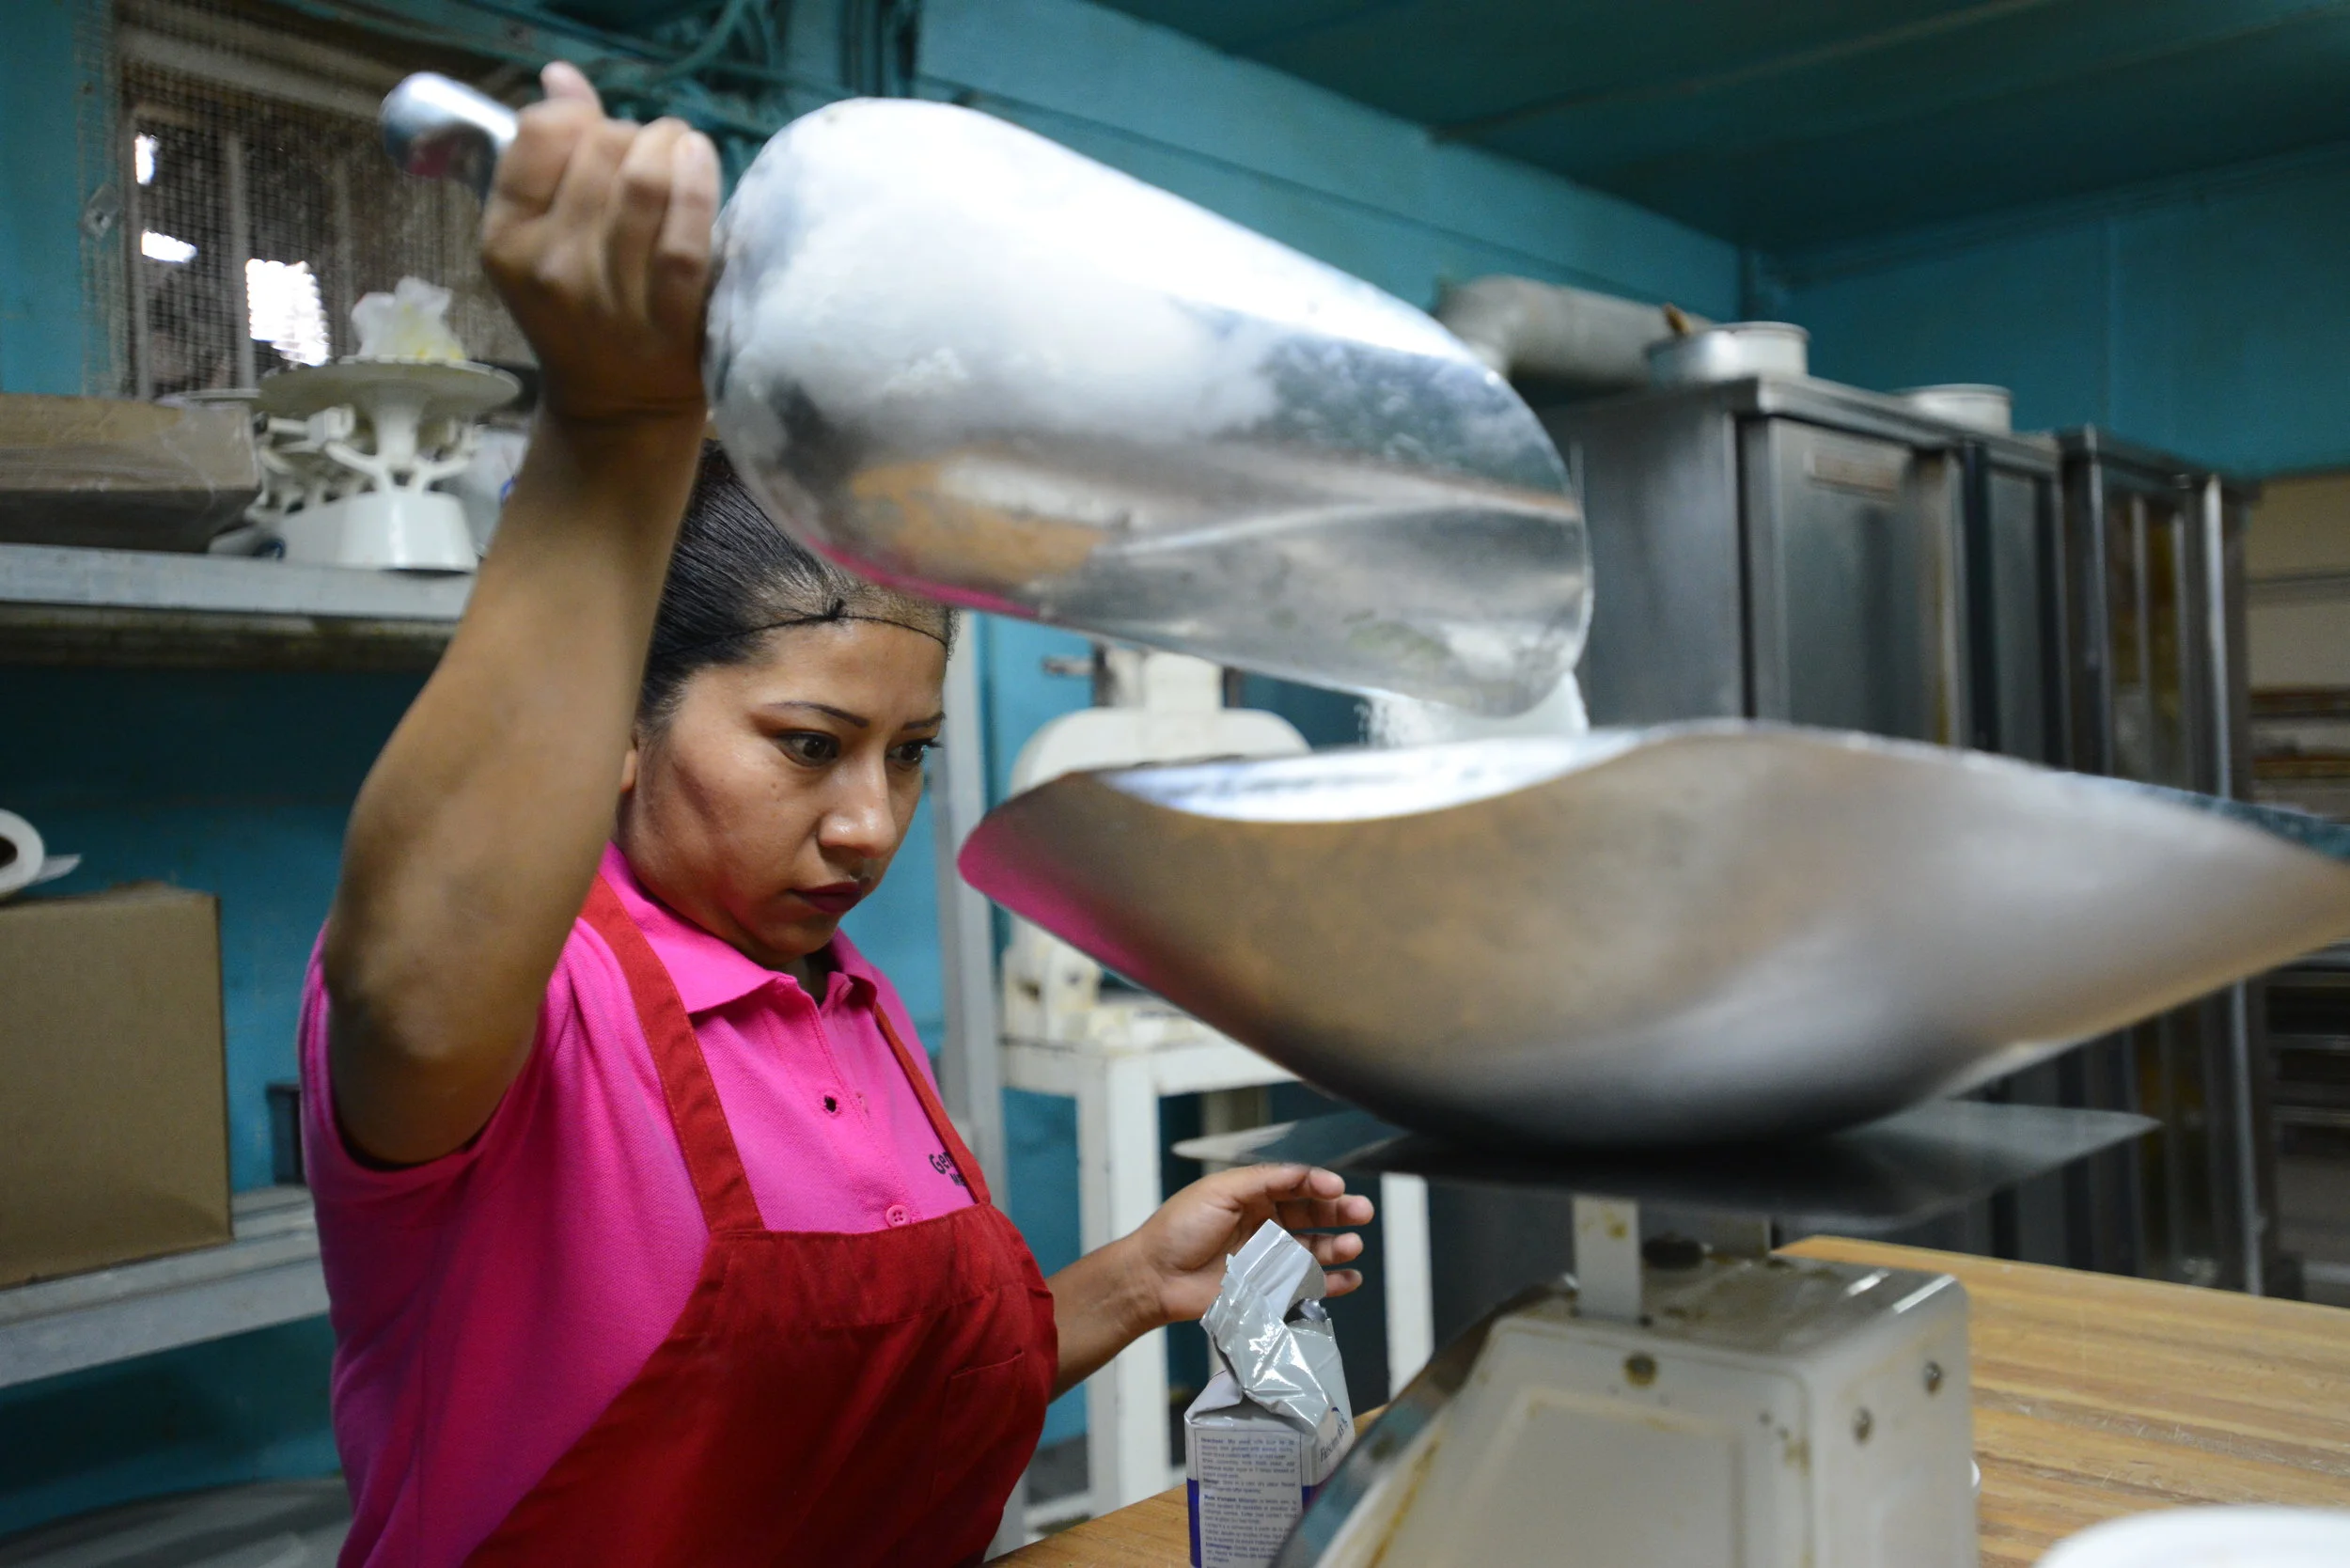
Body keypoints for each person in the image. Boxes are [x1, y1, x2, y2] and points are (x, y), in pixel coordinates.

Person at [299, 62, 1372, 1568]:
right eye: (809, 746)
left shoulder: (850, 1013)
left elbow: (872, 1416)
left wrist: (1133, 1281)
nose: (872, 825)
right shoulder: (542, 1010)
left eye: (912, 753)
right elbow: (404, 992)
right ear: (615, 726)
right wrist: (614, 426)